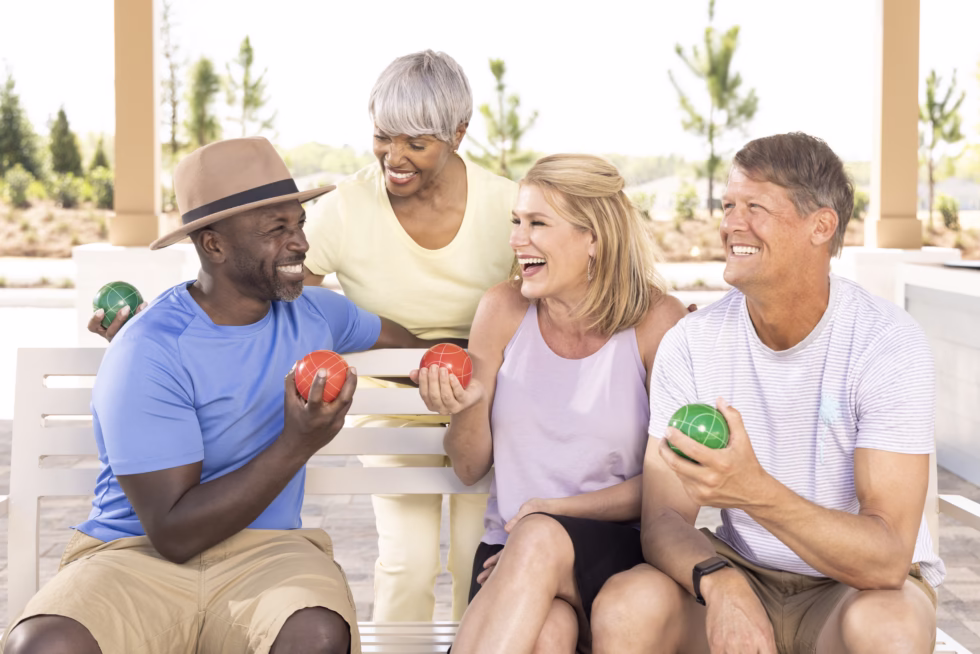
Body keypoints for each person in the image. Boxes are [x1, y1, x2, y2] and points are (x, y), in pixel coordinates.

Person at [3, 137, 435, 654]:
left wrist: (463, 366)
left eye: (297, 224)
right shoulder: (149, 349)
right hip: (135, 555)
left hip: (269, 554)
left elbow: (412, 349)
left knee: (317, 634)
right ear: (214, 245)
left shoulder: (317, 314)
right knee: (46, 645)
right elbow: (174, 534)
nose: (300, 243)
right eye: (277, 230)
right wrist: (297, 443)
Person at [596, 133, 945, 654]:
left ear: (820, 226)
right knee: (628, 605)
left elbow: (887, 557)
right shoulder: (692, 343)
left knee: (889, 629)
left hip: (853, 589)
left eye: (754, 207)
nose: (731, 224)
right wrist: (723, 583)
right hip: (741, 571)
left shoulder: (885, 342)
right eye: (729, 205)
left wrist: (752, 490)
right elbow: (663, 520)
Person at [412, 154, 689, 653]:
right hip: (509, 551)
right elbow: (470, 467)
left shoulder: (656, 323)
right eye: (516, 221)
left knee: (539, 537)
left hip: (621, 553)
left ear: (594, 239)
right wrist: (468, 405)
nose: (518, 239)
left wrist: (551, 513)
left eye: (538, 223)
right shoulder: (501, 309)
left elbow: (674, 488)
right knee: (547, 633)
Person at [302, 50, 518, 622]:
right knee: (408, 562)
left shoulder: (507, 205)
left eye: (416, 143)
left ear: (458, 133)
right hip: (391, 405)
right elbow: (288, 293)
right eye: (382, 137)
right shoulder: (345, 208)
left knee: (481, 556)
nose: (393, 159)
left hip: (489, 407)